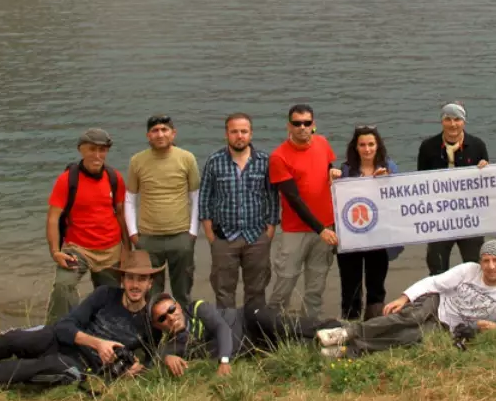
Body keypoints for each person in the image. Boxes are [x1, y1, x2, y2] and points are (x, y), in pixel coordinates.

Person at [0, 251, 162, 387]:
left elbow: (154, 358)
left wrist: (137, 370)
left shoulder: (151, 321)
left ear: (150, 283)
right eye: (130, 278)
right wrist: (97, 343)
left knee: (45, 366)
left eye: (142, 279)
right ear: (122, 280)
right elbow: (64, 325)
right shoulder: (105, 294)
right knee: (16, 338)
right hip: (65, 340)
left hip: (83, 366)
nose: (135, 285)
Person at [314, 240, 496, 358]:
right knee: (407, 318)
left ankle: (349, 350)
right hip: (437, 303)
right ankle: (345, 332)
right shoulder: (469, 269)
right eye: (486, 261)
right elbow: (434, 282)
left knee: (407, 337)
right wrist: (404, 298)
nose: (491, 266)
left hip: (449, 327)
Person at [45, 128, 128, 323]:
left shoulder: (114, 178)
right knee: (63, 286)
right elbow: (52, 218)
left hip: (110, 250)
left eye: (102, 150)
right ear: (81, 149)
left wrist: (127, 250)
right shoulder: (67, 180)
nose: (97, 155)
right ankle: (59, 331)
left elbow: (121, 215)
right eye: (92, 149)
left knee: (111, 299)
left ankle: (102, 334)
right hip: (77, 249)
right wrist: (55, 252)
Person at [199, 112, 280, 308]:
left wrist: (269, 231)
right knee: (224, 290)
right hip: (224, 236)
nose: (239, 136)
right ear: (226, 134)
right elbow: (204, 199)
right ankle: (229, 332)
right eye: (234, 131)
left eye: (244, 131)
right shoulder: (214, 161)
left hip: (257, 236)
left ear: (251, 134)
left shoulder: (264, 161)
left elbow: (273, 198)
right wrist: (210, 235)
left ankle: (255, 332)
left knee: (256, 290)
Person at [148, 294, 335, 376]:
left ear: (178, 305)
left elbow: (221, 328)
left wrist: (224, 362)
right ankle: (340, 342)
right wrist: (166, 358)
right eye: (162, 318)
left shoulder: (197, 308)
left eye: (172, 309)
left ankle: (333, 326)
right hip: (256, 346)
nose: (171, 317)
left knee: (285, 326)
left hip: (249, 318)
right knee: (298, 346)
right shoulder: (173, 345)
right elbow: (152, 364)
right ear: (158, 325)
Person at [268, 103, 338, 320]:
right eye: (297, 123)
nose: (302, 128)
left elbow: (327, 169)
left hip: (326, 227)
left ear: (313, 125)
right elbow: (294, 200)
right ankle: (272, 330)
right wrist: (320, 230)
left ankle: (309, 329)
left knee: (316, 286)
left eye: (307, 123)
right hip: (296, 231)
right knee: (285, 283)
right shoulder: (279, 157)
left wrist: (333, 172)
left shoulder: (323, 143)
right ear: (289, 126)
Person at [126, 115, 201, 307]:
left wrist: (192, 232)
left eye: (164, 130)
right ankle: (153, 332)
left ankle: (184, 327)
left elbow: (195, 196)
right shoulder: (137, 161)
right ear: (148, 135)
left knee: (182, 289)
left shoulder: (187, 158)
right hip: (148, 237)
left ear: (173, 133)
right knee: (150, 291)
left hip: (181, 236)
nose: (160, 134)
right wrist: (134, 234)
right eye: (155, 131)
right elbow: (130, 199)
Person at [330, 126, 400, 320]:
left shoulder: (389, 167)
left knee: (376, 285)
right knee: (350, 285)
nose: (367, 149)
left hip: (378, 236)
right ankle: (350, 324)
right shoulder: (345, 169)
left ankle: (374, 325)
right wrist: (332, 182)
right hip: (351, 236)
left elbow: (399, 197)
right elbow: (337, 202)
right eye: (362, 145)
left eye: (371, 144)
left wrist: (386, 182)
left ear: (378, 146)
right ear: (356, 147)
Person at [416, 102, 490, 274]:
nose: (452, 124)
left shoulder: (477, 145)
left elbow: (487, 185)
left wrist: (486, 169)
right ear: (442, 121)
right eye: (448, 119)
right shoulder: (428, 147)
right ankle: (441, 300)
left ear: (464, 122)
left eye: (457, 119)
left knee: (475, 266)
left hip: (470, 217)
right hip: (439, 217)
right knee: (437, 266)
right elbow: (419, 182)